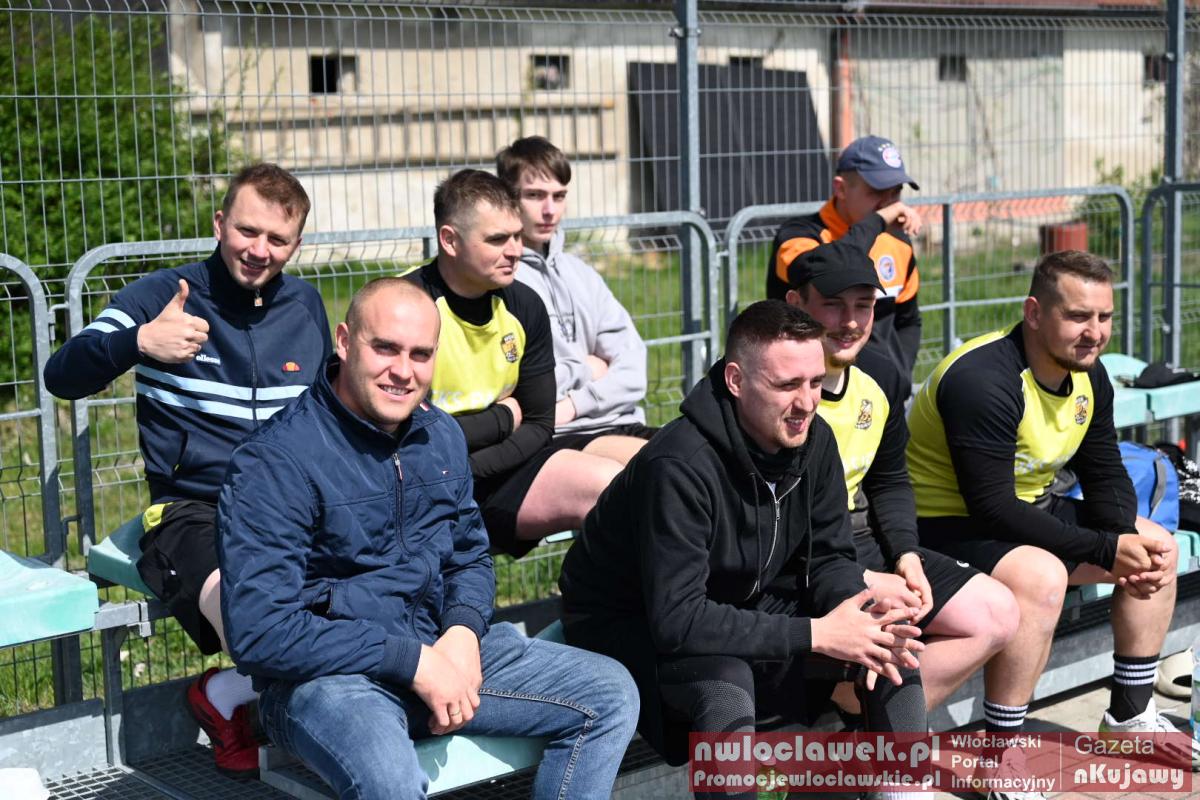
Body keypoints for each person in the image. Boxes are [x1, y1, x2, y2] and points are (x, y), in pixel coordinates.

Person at [217, 278, 639, 800]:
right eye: (385, 348)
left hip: (441, 647)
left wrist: (462, 630)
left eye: (421, 354)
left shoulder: (439, 434)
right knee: (388, 780)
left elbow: (469, 556)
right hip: (332, 679)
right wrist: (411, 661)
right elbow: (261, 631)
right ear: (344, 342)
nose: (403, 371)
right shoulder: (275, 461)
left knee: (611, 693)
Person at [559, 300, 928, 800]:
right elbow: (677, 620)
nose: (807, 402)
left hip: (736, 598)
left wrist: (854, 613)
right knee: (725, 684)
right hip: (630, 625)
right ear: (736, 380)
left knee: (891, 649)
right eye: (787, 385)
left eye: (815, 382)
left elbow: (829, 558)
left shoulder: (814, 440)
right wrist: (817, 633)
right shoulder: (679, 465)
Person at [43, 163, 329, 777]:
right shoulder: (161, 295)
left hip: (292, 509)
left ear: (297, 244)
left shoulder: (305, 304)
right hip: (190, 511)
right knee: (259, 621)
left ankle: (226, 695)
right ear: (220, 223)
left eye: (277, 239)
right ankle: (300, 730)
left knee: (372, 601)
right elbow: (62, 373)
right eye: (247, 231)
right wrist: (137, 343)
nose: (259, 250)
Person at [907, 250, 1195, 796]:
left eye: (1104, 317)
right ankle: (1001, 757)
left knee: (1156, 545)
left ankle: (1130, 716)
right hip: (942, 524)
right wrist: (1103, 549)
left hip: (1022, 511)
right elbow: (992, 508)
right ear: (1034, 313)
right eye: (1077, 316)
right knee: (1042, 578)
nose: (1095, 333)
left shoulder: (1088, 374)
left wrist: (1123, 539)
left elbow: (1104, 471)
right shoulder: (983, 378)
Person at [784, 237, 1019, 716]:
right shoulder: (772, 387)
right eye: (833, 305)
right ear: (796, 304)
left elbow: (890, 481)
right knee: (893, 630)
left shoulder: (881, 378)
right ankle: (868, 725)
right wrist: (867, 580)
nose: (851, 321)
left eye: (864, 306)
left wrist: (905, 556)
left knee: (997, 612)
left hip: (857, 541)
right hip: (794, 561)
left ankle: (859, 716)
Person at [405, 169, 631, 557]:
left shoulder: (524, 305)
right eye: (497, 239)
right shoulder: (406, 307)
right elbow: (408, 436)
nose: (514, 250)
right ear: (450, 240)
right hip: (421, 482)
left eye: (517, 236)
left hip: (500, 463)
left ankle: (599, 594)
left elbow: (540, 424)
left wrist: (474, 454)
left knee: (635, 479)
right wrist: (504, 418)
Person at [499, 136, 655, 466]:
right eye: (535, 195)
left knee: (710, 455)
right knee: (664, 467)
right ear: (508, 199)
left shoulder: (581, 274)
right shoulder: (501, 281)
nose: (549, 210)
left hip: (616, 419)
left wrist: (573, 403)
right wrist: (587, 368)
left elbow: (633, 369)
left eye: (559, 196)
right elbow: (518, 388)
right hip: (559, 436)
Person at [767, 135, 923, 390]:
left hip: (881, 395)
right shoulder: (798, 235)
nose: (890, 205)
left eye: (896, 192)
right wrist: (877, 222)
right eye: (876, 192)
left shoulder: (898, 242)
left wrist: (898, 375)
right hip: (809, 393)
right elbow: (830, 265)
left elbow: (908, 321)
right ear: (840, 188)